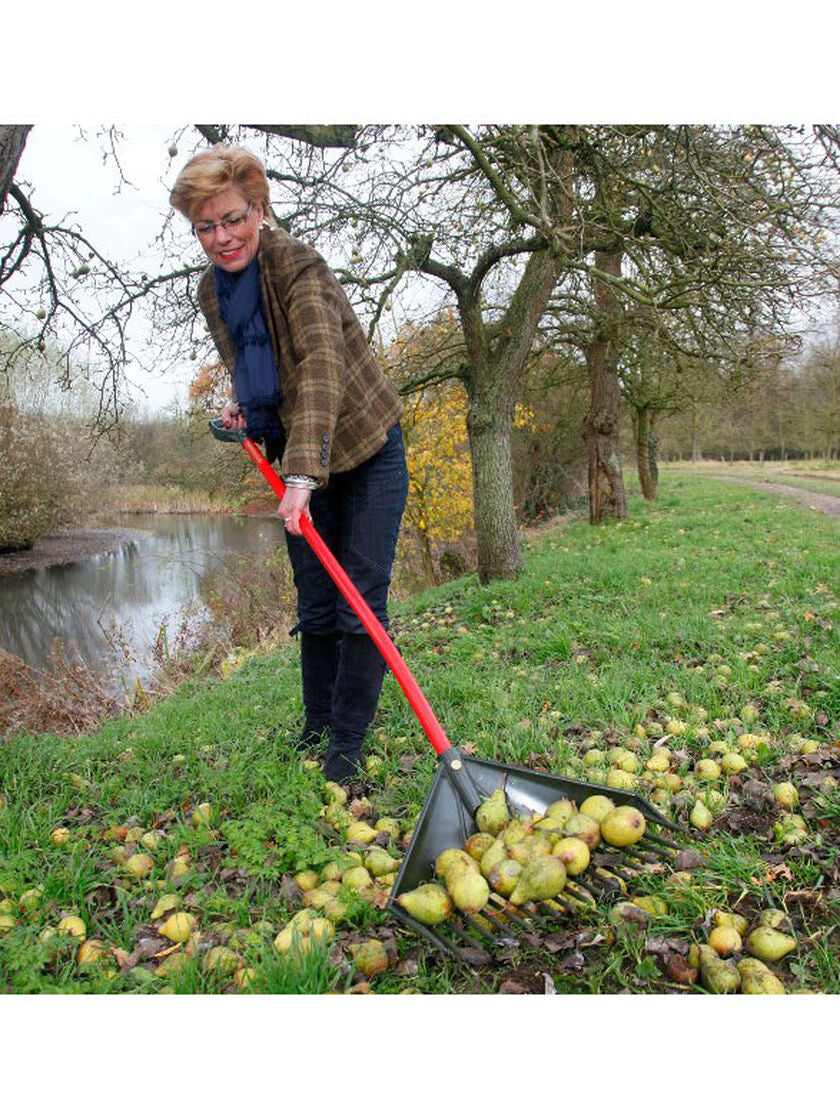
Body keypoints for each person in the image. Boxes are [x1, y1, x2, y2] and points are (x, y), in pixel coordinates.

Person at [169, 144, 408, 785]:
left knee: (359, 601)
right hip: (296, 451)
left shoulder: (299, 267)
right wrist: (253, 413)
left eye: (233, 218)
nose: (222, 238)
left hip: (364, 450)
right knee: (317, 605)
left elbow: (320, 369)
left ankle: (347, 747)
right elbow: (262, 372)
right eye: (205, 226)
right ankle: (316, 727)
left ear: (259, 207)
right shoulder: (213, 293)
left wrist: (302, 476)